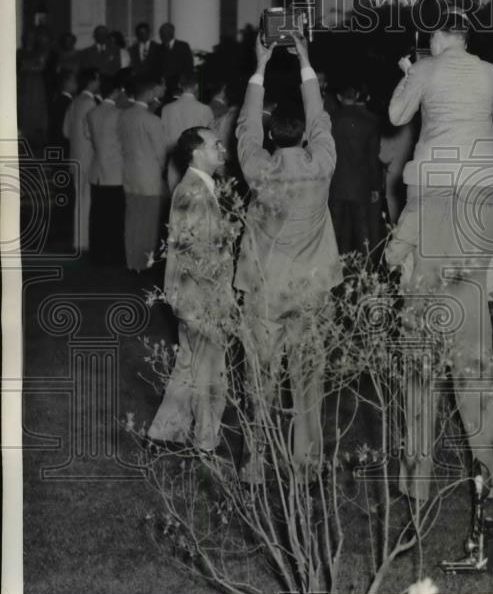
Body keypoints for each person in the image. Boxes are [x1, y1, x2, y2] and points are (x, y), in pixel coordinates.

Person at [385, 11, 493, 501]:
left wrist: (411, 75)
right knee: (475, 373)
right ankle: (492, 478)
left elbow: (398, 116)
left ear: (437, 37)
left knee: (420, 375)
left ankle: (416, 482)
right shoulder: (489, 71)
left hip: (432, 231)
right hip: (481, 207)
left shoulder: (425, 67)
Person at [235, 28, 342, 478]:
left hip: (264, 286)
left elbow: (243, 129)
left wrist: (260, 66)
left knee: (258, 378)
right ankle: (306, 462)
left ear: (271, 135)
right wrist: (304, 62)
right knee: (309, 380)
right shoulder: (321, 166)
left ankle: (255, 462)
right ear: (303, 138)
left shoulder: (259, 169)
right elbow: (321, 121)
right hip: (312, 286)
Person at [147, 126, 234, 451]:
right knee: (210, 372)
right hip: (201, 297)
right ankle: (206, 442)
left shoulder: (196, 187)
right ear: (197, 153)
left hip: (189, 295)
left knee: (189, 363)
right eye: (216, 145)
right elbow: (196, 252)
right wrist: (219, 296)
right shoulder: (194, 191)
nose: (222, 150)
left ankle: (164, 432)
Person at [119, 78, 168, 272]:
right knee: (148, 223)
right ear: (148, 94)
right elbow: (161, 153)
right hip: (149, 177)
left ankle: (131, 261)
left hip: (129, 174)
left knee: (132, 220)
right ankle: (145, 264)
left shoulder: (123, 116)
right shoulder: (152, 120)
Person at [329, 84, 382, 256]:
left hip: (335, 184)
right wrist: (375, 186)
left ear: (338, 97)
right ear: (357, 95)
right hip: (360, 185)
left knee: (334, 232)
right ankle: (366, 273)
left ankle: (334, 273)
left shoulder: (329, 120)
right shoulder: (370, 122)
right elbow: (373, 158)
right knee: (363, 232)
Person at [84, 77, 127, 267]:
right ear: (116, 91)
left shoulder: (92, 113)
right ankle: (115, 255)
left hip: (97, 170)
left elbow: (87, 135)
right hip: (115, 171)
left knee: (97, 215)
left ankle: (97, 255)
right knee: (115, 216)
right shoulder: (119, 114)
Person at [63, 67, 101, 253]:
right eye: (98, 79)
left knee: (79, 199)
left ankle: (78, 240)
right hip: (87, 158)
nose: (99, 83)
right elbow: (93, 133)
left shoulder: (74, 102)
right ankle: (84, 241)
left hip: (74, 157)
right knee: (86, 200)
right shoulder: (90, 103)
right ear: (92, 81)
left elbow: (65, 131)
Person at [162, 73, 214, 192]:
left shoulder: (167, 109)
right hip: (197, 163)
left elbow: (164, 138)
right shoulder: (205, 109)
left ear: (180, 85)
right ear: (196, 86)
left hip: (173, 162)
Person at [157, 22, 195, 94]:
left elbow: (189, 65)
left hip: (179, 85)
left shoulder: (183, 46)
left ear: (171, 33)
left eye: (164, 32)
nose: (161, 36)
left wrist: (184, 83)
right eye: (161, 33)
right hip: (164, 87)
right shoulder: (158, 48)